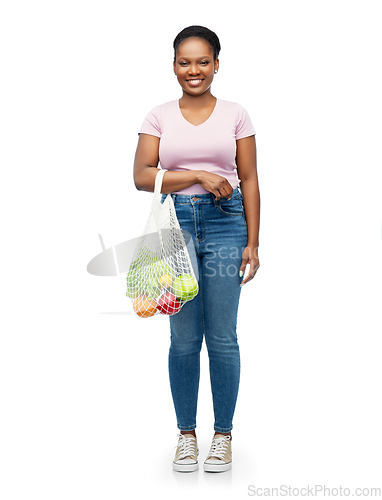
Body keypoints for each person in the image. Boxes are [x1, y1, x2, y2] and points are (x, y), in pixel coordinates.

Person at [133, 25, 260, 473]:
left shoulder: (237, 115)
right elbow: (142, 176)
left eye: (203, 61)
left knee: (223, 337)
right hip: (176, 226)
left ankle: (222, 436)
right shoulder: (159, 115)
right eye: (185, 62)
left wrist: (253, 242)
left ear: (217, 64)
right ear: (173, 66)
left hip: (228, 225)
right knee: (184, 340)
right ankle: (187, 437)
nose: (194, 70)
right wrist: (199, 176)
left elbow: (250, 181)